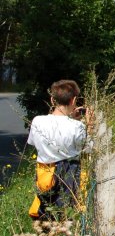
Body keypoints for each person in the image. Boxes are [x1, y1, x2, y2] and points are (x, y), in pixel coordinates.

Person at [26, 80, 91, 220]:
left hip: (44, 173)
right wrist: (88, 126)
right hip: (69, 173)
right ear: (74, 100)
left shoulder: (37, 121)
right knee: (67, 214)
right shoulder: (77, 126)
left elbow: (33, 142)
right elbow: (88, 149)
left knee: (45, 211)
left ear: (52, 99)